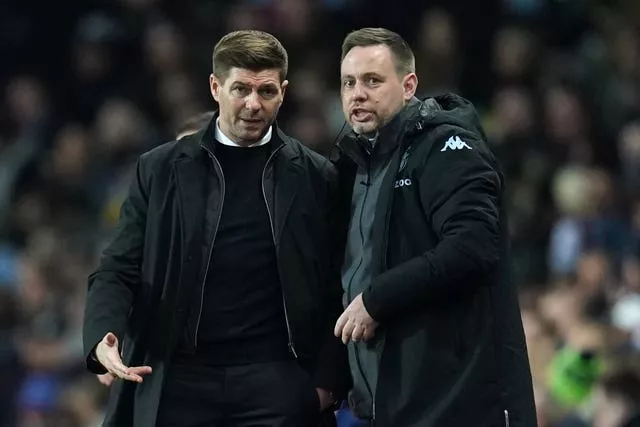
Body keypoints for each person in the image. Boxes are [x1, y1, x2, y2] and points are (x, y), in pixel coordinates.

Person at [83, 30, 350, 427]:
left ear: (284, 91)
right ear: (215, 87)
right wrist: (104, 334)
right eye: (241, 88)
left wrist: (326, 382)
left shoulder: (317, 176)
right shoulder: (159, 169)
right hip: (178, 378)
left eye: (267, 91)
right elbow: (119, 266)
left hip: (275, 381)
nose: (253, 104)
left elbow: (336, 286)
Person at [331, 27, 537, 427]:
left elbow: (472, 246)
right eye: (348, 83)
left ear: (409, 85)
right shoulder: (355, 168)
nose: (358, 93)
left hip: (457, 403)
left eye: (373, 81)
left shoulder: (445, 148)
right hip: (393, 406)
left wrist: (375, 299)